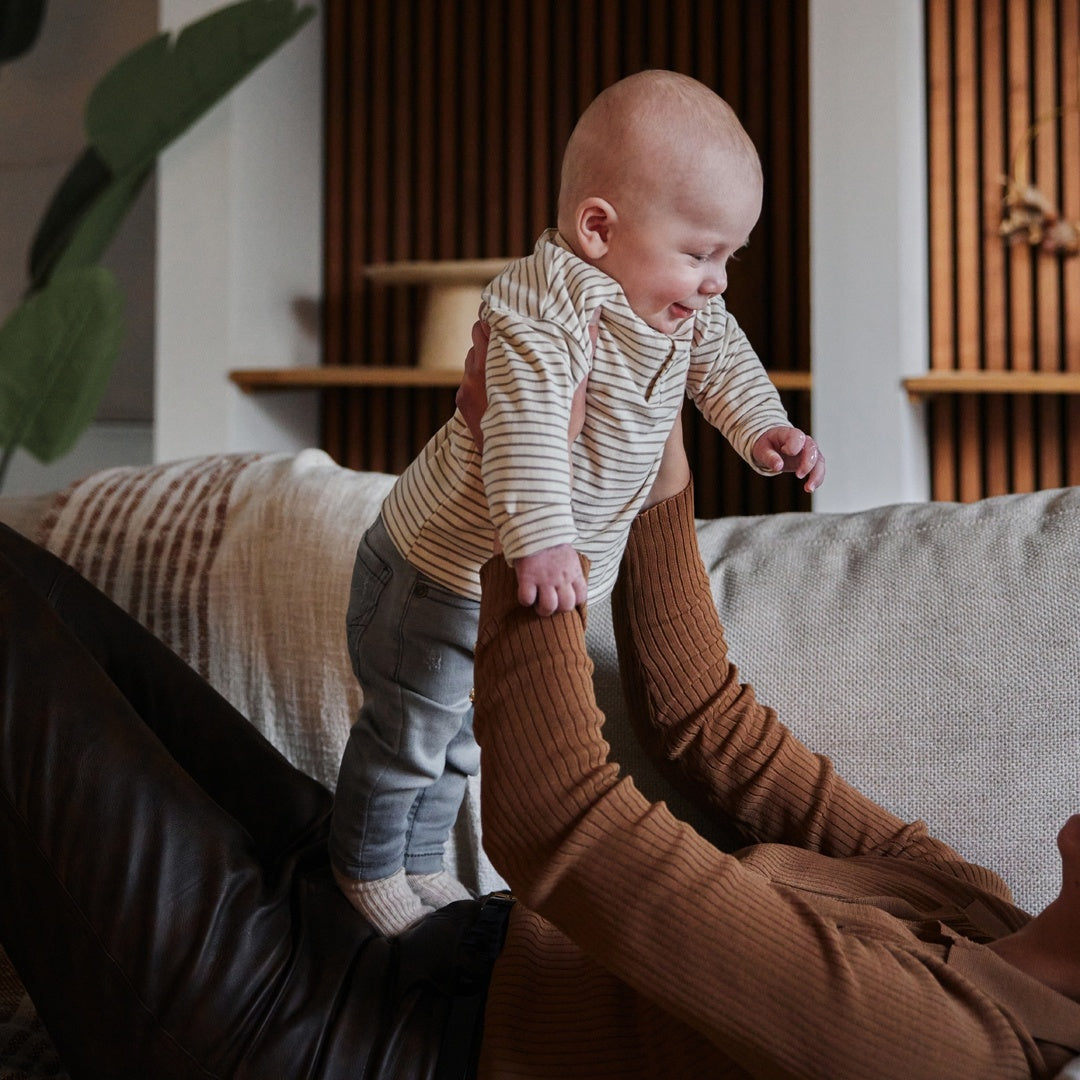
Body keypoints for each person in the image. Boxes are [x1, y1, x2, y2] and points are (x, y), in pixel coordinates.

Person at [3, 454, 1080, 1077]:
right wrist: (653, 440)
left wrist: (529, 492)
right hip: (400, 930)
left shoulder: (948, 1056)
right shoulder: (974, 907)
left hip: (331, 1046)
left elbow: (563, 821)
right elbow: (711, 727)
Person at [330, 68, 826, 934]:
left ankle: (423, 868)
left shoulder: (679, 310)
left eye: (730, 259)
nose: (716, 282)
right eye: (699, 253)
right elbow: (521, 423)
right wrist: (544, 542)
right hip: (433, 574)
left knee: (459, 743)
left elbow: (725, 363)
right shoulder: (546, 309)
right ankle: (366, 869)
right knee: (409, 739)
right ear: (599, 229)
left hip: (492, 579)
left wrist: (765, 430)